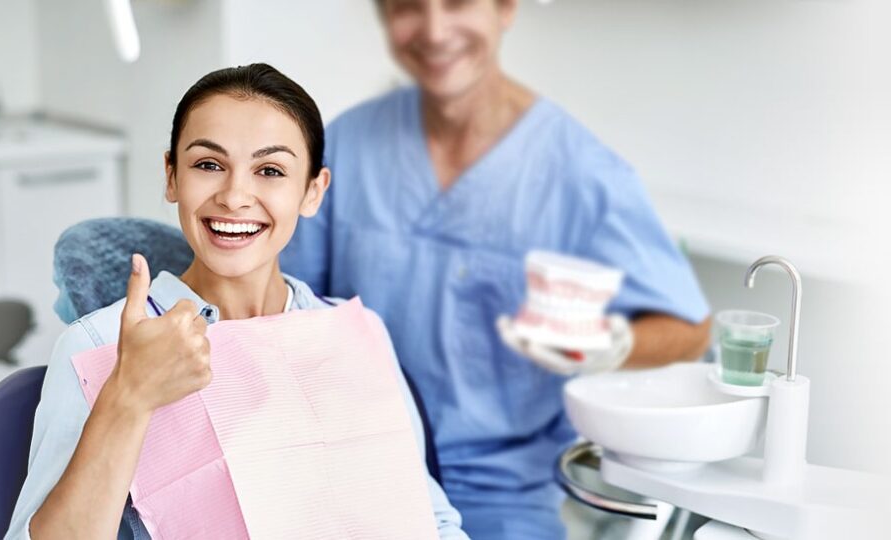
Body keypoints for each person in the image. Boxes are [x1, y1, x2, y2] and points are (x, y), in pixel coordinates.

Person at [280, 0, 711, 537]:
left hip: (499, 494)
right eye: (408, 7)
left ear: (505, 7)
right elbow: (283, 308)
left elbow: (689, 328)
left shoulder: (580, 172)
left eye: (458, 3)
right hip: (354, 466)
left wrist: (605, 343)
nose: (435, 30)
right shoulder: (345, 144)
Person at [4, 64, 467, 539]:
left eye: (270, 171)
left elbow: (433, 521)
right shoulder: (99, 346)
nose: (234, 196)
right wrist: (128, 396)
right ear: (171, 176)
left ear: (312, 191)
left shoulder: (356, 334)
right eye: (208, 165)